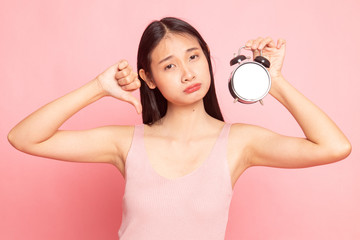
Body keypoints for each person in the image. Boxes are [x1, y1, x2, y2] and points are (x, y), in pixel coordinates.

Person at [8, 17, 351, 240]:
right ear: (148, 79)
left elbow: (334, 147)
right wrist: (97, 87)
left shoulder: (239, 142)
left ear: (207, 57)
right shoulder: (126, 142)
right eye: (169, 65)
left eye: (194, 57)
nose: (188, 73)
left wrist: (272, 81)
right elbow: (23, 137)